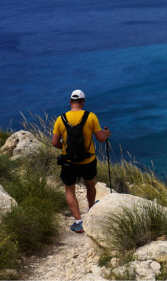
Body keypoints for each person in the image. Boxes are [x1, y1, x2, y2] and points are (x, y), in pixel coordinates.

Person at [52, 89, 110, 233]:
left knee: (69, 190)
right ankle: (91, 212)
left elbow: (54, 143)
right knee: (90, 185)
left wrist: (65, 148)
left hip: (68, 161)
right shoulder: (91, 117)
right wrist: (106, 133)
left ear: (70, 102)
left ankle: (78, 221)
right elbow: (101, 139)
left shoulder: (61, 119)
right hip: (88, 160)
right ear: (83, 102)